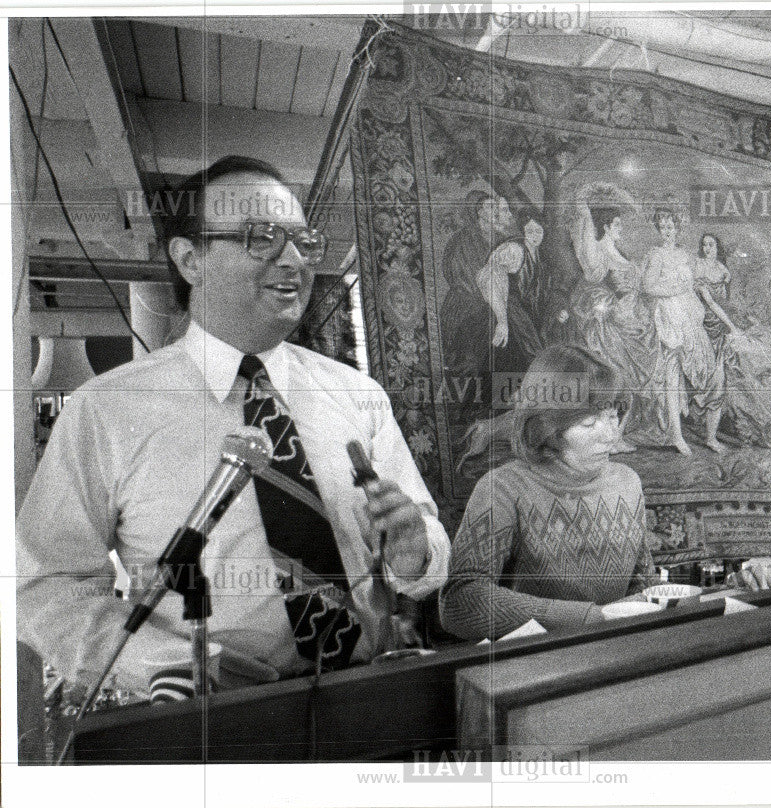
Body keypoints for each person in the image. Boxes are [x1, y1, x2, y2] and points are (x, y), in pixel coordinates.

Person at [16, 156, 450, 699]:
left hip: (371, 695)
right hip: (211, 719)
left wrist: (415, 551)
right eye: (261, 237)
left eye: (301, 240)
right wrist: (175, 666)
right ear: (190, 257)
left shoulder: (357, 395)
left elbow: (425, 545)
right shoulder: (106, 410)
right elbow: (48, 586)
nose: (293, 259)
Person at [440, 346, 657, 641]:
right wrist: (590, 618)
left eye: (612, 416)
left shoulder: (627, 482)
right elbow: (459, 602)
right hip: (537, 666)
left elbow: (643, 584)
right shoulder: (502, 489)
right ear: (547, 428)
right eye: (589, 422)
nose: (612, 436)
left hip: (615, 652)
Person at [568, 183, 666, 452]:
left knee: (629, 387)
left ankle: (617, 437)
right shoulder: (597, 253)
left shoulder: (620, 254)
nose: (621, 228)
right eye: (617, 224)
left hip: (635, 327)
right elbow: (591, 290)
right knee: (618, 385)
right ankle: (610, 438)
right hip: (614, 332)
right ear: (607, 226)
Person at [641, 208, 725, 455]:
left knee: (704, 368)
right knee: (672, 376)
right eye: (663, 227)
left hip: (689, 316)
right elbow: (648, 287)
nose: (667, 232)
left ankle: (708, 434)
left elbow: (692, 284)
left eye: (670, 227)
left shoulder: (684, 254)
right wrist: (674, 290)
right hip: (669, 317)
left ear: (677, 228)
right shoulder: (656, 255)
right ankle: (676, 435)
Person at [439, 189, 517, 377]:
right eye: (490, 207)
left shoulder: (500, 239)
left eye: (495, 207)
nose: (495, 212)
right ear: (478, 212)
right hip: (466, 299)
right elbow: (457, 273)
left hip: (494, 296)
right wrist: (486, 295)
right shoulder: (462, 240)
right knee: (483, 321)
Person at [475, 213, 546, 370]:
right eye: (530, 231)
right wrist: (502, 320)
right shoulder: (515, 250)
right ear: (523, 231)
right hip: (505, 308)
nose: (535, 236)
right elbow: (490, 276)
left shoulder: (537, 254)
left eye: (538, 231)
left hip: (522, 312)